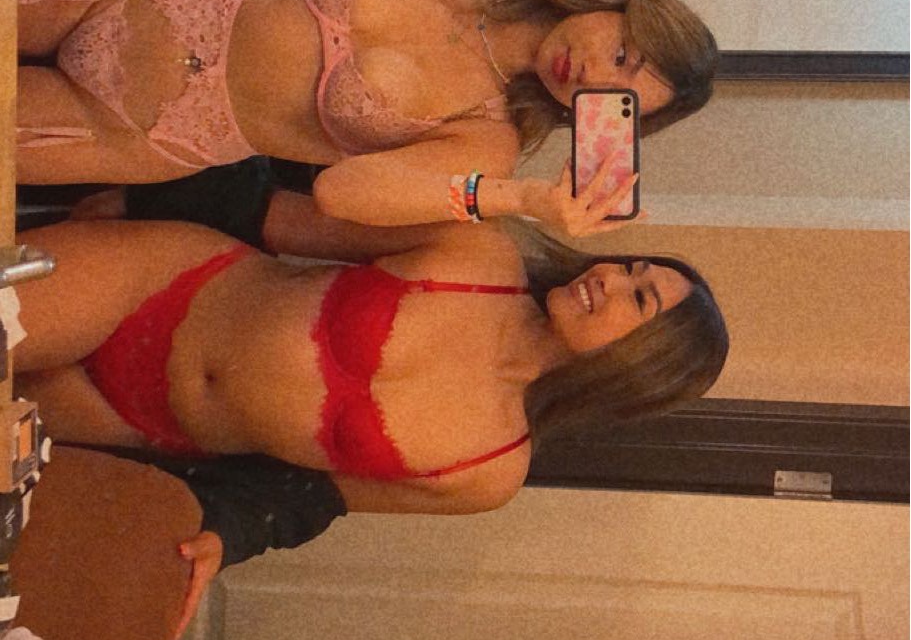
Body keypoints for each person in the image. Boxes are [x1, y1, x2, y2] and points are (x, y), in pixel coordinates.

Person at [13, 164, 728, 527]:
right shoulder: (481, 256)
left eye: (638, 298)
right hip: (156, 283)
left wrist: (223, 539)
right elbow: (310, 207)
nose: (609, 277)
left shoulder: (489, 473)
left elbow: (306, 497)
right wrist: (516, 195)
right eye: (631, 267)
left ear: (638, 369)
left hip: (144, 424)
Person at [16, 0, 717, 232]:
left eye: (616, 94)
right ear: (612, 3)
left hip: (151, 130)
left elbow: (342, 194)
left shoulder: (485, 142)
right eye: (620, 52)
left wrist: (522, 200)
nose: (592, 73)